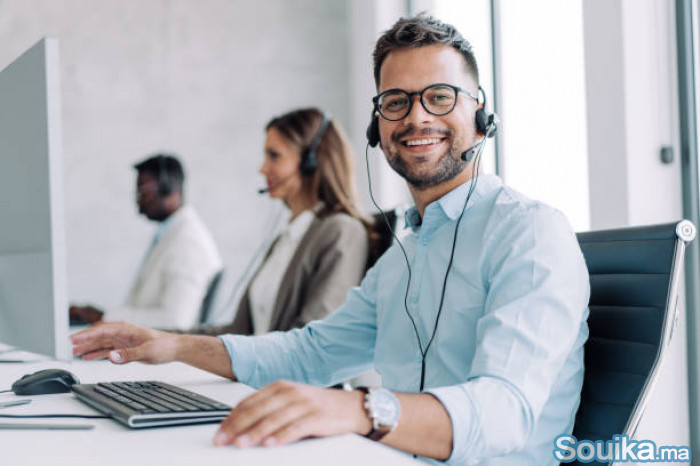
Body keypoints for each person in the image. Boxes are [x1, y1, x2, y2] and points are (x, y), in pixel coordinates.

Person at [71, 15, 589, 465]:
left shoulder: (530, 234)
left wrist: (360, 408)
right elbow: (309, 353)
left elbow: (504, 412)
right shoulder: (406, 253)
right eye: (396, 101)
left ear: (480, 116)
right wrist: (174, 346)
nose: (416, 117)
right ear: (376, 127)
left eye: (439, 97)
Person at [188, 108, 371, 336]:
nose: (262, 168)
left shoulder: (342, 232)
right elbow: (240, 332)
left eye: (274, 156)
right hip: (261, 370)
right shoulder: (287, 237)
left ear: (310, 161)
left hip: (285, 372)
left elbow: (314, 339)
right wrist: (162, 337)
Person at [70, 154, 223, 330]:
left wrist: (106, 317)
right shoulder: (170, 234)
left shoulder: (189, 243)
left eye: (143, 192)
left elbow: (177, 320)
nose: (138, 201)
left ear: (168, 190)